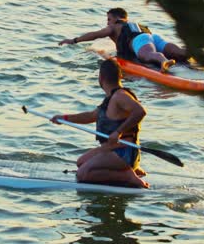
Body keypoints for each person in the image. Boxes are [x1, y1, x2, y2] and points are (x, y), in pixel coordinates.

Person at [51, 59, 149, 188]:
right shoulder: (111, 98)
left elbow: (140, 111)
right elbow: (91, 116)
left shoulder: (120, 96)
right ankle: (130, 170)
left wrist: (118, 132)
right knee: (81, 162)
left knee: (82, 175)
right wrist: (63, 118)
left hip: (123, 152)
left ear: (101, 78)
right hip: (112, 150)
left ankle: (128, 176)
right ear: (120, 76)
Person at [59, 7, 204, 73]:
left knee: (148, 55)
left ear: (116, 18)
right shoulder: (135, 24)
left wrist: (73, 40)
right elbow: (147, 38)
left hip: (140, 41)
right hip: (154, 37)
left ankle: (163, 62)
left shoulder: (113, 27)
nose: (107, 23)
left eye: (108, 19)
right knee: (182, 53)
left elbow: (94, 34)